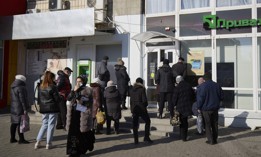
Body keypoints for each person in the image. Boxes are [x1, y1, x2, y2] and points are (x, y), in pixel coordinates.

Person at [66, 75, 95, 157]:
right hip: (73, 114)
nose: (78, 83)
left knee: (82, 134)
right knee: (73, 134)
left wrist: (77, 95)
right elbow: (68, 98)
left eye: (80, 81)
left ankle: (81, 150)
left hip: (82, 114)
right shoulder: (74, 89)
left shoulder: (88, 90)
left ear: (84, 81)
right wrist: (73, 91)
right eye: (77, 81)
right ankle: (72, 151)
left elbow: (87, 101)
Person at [35, 71, 61, 149]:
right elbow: (57, 99)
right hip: (52, 108)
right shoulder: (53, 86)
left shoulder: (40, 86)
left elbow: (39, 98)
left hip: (43, 108)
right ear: (51, 78)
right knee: (51, 125)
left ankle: (37, 142)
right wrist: (61, 97)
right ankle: (48, 143)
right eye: (53, 77)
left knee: (44, 124)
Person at [197, 72, 224, 145]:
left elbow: (200, 99)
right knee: (215, 124)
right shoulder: (217, 85)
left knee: (207, 124)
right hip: (215, 108)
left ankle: (210, 139)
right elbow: (221, 97)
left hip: (206, 109)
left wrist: (198, 107)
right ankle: (215, 139)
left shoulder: (202, 86)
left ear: (204, 79)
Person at [130, 77, 153, 144]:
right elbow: (144, 101)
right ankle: (146, 137)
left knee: (135, 124)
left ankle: (136, 140)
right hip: (141, 109)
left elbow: (131, 101)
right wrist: (145, 106)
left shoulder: (132, 89)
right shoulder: (142, 89)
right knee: (148, 121)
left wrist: (132, 110)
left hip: (134, 109)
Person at [172, 75, 195, 141]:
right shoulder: (188, 86)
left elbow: (174, 98)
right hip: (188, 106)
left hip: (180, 107)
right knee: (185, 122)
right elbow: (193, 95)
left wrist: (173, 105)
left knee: (181, 122)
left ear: (177, 81)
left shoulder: (177, 87)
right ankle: (184, 135)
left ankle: (183, 136)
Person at [10, 74, 30, 144]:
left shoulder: (13, 86)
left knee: (14, 123)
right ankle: (21, 139)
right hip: (20, 107)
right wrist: (25, 109)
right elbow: (23, 99)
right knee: (20, 124)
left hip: (13, 107)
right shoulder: (21, 88)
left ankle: (12, 138)